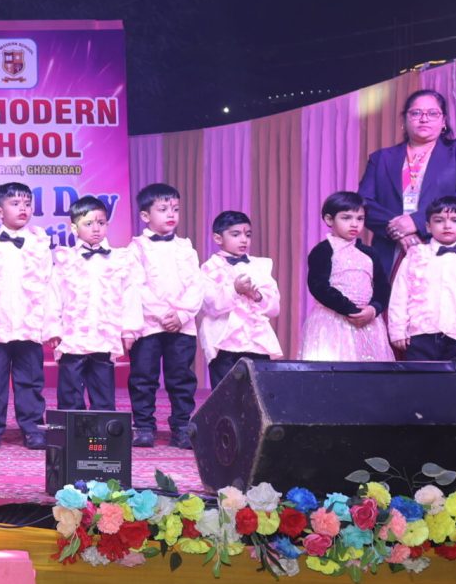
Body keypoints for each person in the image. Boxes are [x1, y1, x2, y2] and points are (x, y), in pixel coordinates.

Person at [0, 182, 53, 450]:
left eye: (27, 203)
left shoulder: (40, 245)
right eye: (15, 203)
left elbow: (48, 284)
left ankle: (33, 428)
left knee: (30, 381)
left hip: (29, 325)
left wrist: (49, 324)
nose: (23, 208)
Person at [358, 88, 456, 258]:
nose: (424, 119)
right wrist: (398, 231)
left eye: (432, 113)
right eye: (416, 113)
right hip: (391, 248)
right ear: (404, 119)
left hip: (447, 249)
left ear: (444, 121)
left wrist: (417, 222)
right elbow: (363, 204)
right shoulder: (381, 158)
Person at [128, 183, 204, 450]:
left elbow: (197, 284)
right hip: (148, 325)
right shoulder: (136, 248)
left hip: (182, 326)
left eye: (175, 209)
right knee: (143, 377)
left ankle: (182, 427)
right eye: (163, 209)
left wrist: (181, 314)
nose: (171, 214)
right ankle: (144, 426)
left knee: (181, 377)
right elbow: (137, 286)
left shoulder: (186, 247)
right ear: (145, 215)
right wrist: (162, 314)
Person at [46, 196, 140, 412]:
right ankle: (70, 428)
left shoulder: (119, 259)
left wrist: (129, 330)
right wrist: (53, 329)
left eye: (101, 222)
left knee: (103, 390)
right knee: (70, 392)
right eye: (88, 223)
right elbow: (53, 296)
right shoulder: (66, 259)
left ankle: (102, 428)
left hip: (103, 336)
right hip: (73, 336)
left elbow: (130, 295)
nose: (96, 229)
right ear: (74, 227)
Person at [388, 195, 456, 362]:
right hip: (419, 335)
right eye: (439, 220)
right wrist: (398, 330)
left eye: (455, 220)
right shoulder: (415, 255)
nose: (447, 226)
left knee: (454, 378)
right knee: (418, 377)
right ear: (428, 226)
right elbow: (400, 294)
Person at [301, 191, 394, 362]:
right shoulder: (323, 250)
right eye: (346, 218)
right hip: (333, 321)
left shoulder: (370, 253)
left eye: (360, 218)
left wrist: (373, 309)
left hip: (368, 321)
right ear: (329, 219)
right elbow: (319, 286)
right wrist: (351, 311)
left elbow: (383, 287)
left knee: (368, 370)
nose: (354, 224)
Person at [197, 210, 282, 391]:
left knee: (258, 392)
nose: (244, 240)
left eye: (248, 235)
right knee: (225, 393)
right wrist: (234, 290)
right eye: (236, 234)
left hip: (257, 341)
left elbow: (274, 308)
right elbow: (210, 305)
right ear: (218, 238)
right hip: (223, 342)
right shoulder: (210, 268)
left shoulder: (260, 266)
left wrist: (257, 296)